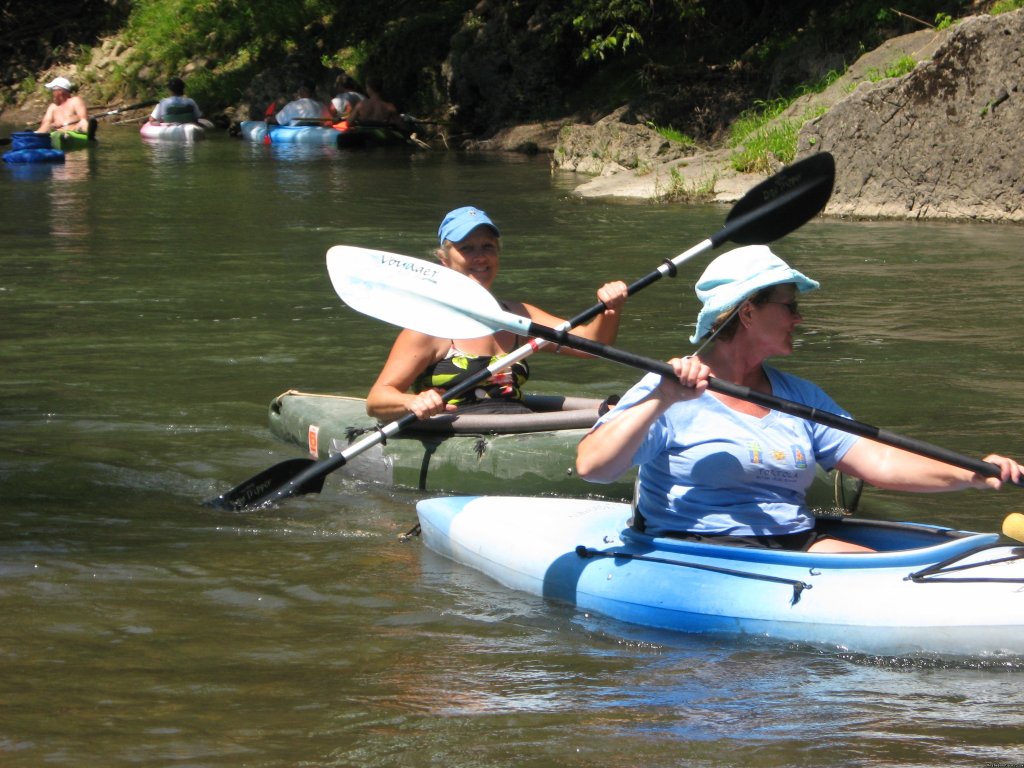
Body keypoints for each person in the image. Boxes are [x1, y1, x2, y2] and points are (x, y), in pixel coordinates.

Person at [575, 245, 1022, 553]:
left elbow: (881, 463)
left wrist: (970, 474)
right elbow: (593, 467)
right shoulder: (669, 385)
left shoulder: (799, 396)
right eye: (789, 306)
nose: (799, 317)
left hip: (792, 543)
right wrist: (663, 397)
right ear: (748, 312)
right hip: (701, 549)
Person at [365, 206, 629, 422]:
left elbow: (591, 345)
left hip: (518, 427)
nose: (480, 257)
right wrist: (413, 401)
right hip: (460, 431)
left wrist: (610, 308)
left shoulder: (517, 316)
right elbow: (378, 399)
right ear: (444, 260)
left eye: (487, 246)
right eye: (467, 248)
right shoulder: (429, 326)